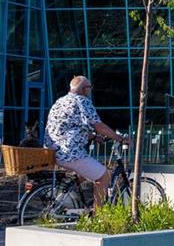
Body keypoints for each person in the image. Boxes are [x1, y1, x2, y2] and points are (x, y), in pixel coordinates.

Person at [45, 76, 129, 208]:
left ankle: (68, 195)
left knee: (87, 172)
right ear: (85, 89)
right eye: (90, 87)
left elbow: (68, 127)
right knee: (105, 176)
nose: (90, 90)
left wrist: (93, 137)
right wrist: (120, 138)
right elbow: (99, 126)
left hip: (53, 151)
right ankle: (98, 215)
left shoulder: (60, 101)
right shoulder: (82, 101)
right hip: (70, 154)